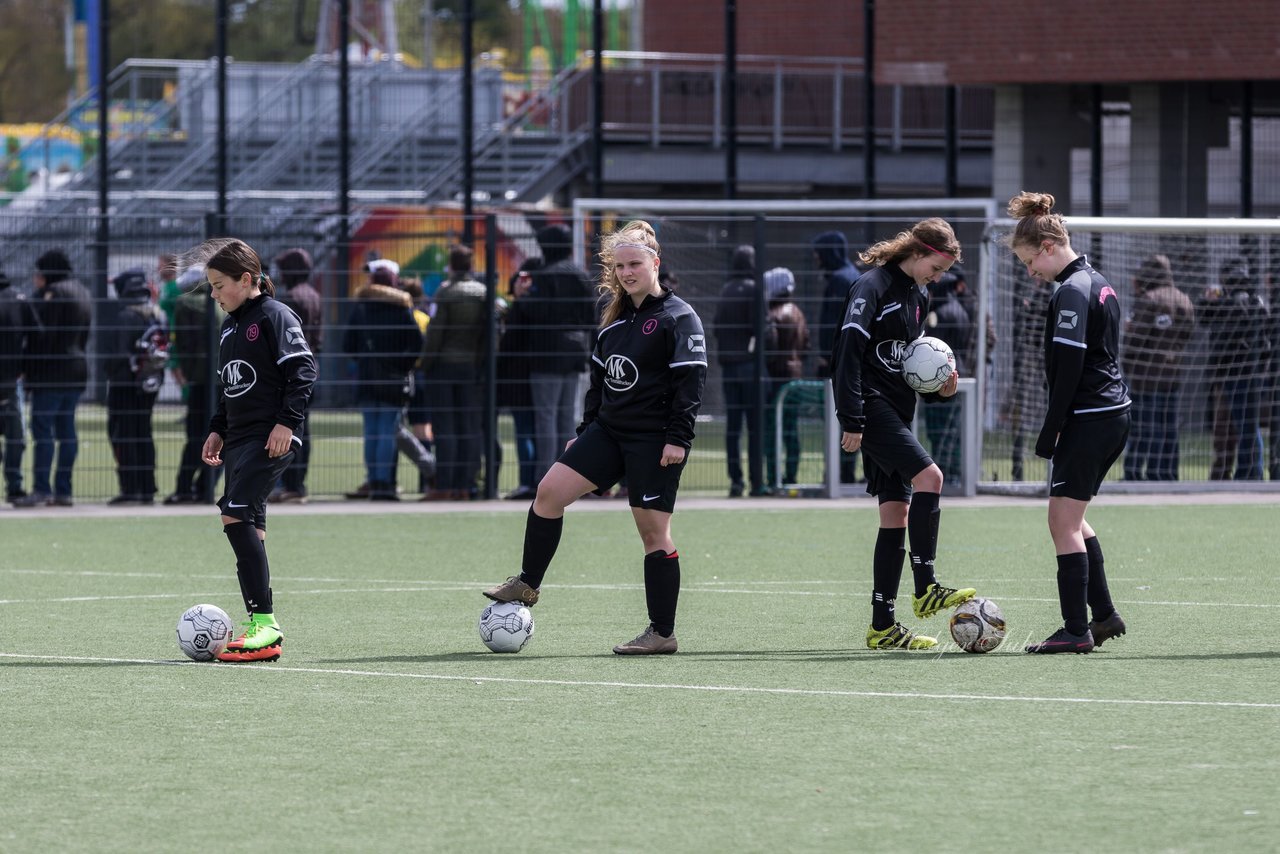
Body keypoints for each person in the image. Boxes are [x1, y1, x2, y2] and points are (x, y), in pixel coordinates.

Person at [482, 219, 707, 655]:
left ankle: (662, 633)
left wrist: (678, 439)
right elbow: (598, 385)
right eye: (620, 266)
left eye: (635, 264)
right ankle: (528, 584)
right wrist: (584, 434)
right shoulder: (613, 321)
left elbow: (691, 385)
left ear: (654, 263)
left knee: (652, 534)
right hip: (608, 432)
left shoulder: (680, 318)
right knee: (548, 494)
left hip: (654, 439)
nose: (627, 273)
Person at [830, 217, 976, 651]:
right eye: (937, 266)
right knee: (931, 477)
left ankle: (883, 626)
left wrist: (939, 388)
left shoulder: (920, 293)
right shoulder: (871, 286)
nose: (939, 276)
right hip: (870, 407)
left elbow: (910, 366)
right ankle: (927, 584)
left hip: (896, 408)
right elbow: (847, 355)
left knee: (896, 513)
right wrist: (852, 418)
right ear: (917, 252)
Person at [1007, 191, 1131, 655]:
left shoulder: (1071, 292)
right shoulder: (1096, 280)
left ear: (1046, 247)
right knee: (1077, 519)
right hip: (1113, 413)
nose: (1030, 272)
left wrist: (1050, 428)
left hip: (1089, 416)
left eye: (1027, 261)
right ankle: (1103, 616)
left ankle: (1075, 630)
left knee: (1060, 520)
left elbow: (1070, 368)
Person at [199, 238, 317, 663]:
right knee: (251, 526)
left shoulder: (274, 315)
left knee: (233, 512)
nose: (214, 295)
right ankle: (261, 628)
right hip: (239, 440)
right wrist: (217, 430)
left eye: (218, 285)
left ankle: (265, 624)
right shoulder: (230, 325)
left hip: (270, 437)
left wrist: (287, 423)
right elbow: (228, 385)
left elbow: (303, 372)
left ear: (246, 280)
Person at [14, 249, 92, 508]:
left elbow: (41, 336)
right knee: (67, 431)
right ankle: (63, 490)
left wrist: (26, 367)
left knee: (43, 432)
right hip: (76, 369)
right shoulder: (82, 290)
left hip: (50, 373)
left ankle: (41, 489)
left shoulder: (54, 293)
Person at [521, 223, 596, 484]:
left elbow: (538, 312)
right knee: (567, 417)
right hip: (576, 351)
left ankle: (545, 476)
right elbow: (592, 317)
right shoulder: (581, 274)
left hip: (547, 352)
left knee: (546, 417)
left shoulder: (545, 274)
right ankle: (568, 475)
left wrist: (522, 297)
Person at [342, 262, 423, 501]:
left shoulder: (361, 308)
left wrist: (366, 360)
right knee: (388, 431)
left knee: (371, 432)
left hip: (368, 378)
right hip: (393, 380)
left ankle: (373, 480)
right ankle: (384, 484)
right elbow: (417, 343)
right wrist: (401, 365)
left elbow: (348, 344)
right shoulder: (402, 308)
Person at [420, 244, 487, 500]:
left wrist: (425, 364)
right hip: (470, 368)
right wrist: (479, 362)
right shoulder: (482, 292)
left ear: (451, 265)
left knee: (445, 428)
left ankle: (444, 486)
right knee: (468, 428)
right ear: (471, 265)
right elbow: (487, 334)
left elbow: (436, 334)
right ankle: (465, 485)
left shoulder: (445, 293)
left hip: (443, 368)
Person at [1121, 254, 1196, 481]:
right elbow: (1188, 335)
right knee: (1169, 428)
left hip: (1145, 376)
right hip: (1172, 376)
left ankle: (1135, 473)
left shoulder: (1149, 300)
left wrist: (1127, 362)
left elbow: (1136, 339)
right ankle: (1167, 473)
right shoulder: (1184, 300)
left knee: (1144, 428)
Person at [102, 268, 167, 506]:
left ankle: (130, 489)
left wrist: (107, 370)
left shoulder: (125, 315)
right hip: (149, 383)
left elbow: (117, 355)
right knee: (144, 434)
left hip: (123, 385)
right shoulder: (158, 313)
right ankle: (147, 487)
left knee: (122, 434)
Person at [166, 265, 225, 504]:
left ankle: (183, 487)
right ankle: (206, 487)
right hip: (224, 381)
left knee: (195, 436)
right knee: (223, 436)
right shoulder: (224, 306)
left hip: (199, 380)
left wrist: (185, 372)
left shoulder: (185, 304)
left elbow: (183, 344)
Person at [271, 248, 323, 503]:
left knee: (288, 428)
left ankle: (290, 484)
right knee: (304, 429)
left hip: (291, 371)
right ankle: (298, 484)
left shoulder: (290, 298)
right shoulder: (314, 295)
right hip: (312, 367)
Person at [714, 244, 766, 497]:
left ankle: (736, 481)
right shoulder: (755, 290)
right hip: (750, 366)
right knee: (755, 427)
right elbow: (762, 328)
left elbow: (716, 327)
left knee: (732, 428)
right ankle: (758, 482)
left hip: (728, 366)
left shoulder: (725, 290)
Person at [813, 230, 863, 484]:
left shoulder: (842, 280)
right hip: (842, 360)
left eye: (819, 254)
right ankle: (843, 472)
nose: (817, 259)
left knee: (842, 418)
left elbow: (835, 324)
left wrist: (828, 356)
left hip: (839, 363)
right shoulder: (846, 276)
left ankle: (841, 474)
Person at [921, 267, 975, 486]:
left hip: (942, 376)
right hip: (957, 370)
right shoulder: (960, 309)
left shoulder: (940, 313)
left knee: (941, 428)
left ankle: (947, 472)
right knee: (952, 428)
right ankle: (951, 471)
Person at [497, 258, 543, 500]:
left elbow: (508, 345)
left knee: (524, 429)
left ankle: (527, 482)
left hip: (516, 376)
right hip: (533, 373)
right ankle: (535, 480)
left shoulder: (519, 309)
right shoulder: (539, 307)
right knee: (534, 428)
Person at [761, 266, 811, 489]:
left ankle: (774, 477)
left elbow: (769, 349)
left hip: (776, 379)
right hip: (796, 378)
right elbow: (806, 347)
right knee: (791, 431)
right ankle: (791, 476)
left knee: (772, 431)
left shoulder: (771, 314)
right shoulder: (798, 312)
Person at [0, 266, 26, 502]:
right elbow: (35, 333)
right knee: (16, 436)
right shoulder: (18, 299)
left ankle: (15, 483)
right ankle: (15, 485)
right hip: (12, 377)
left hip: (11, 376)